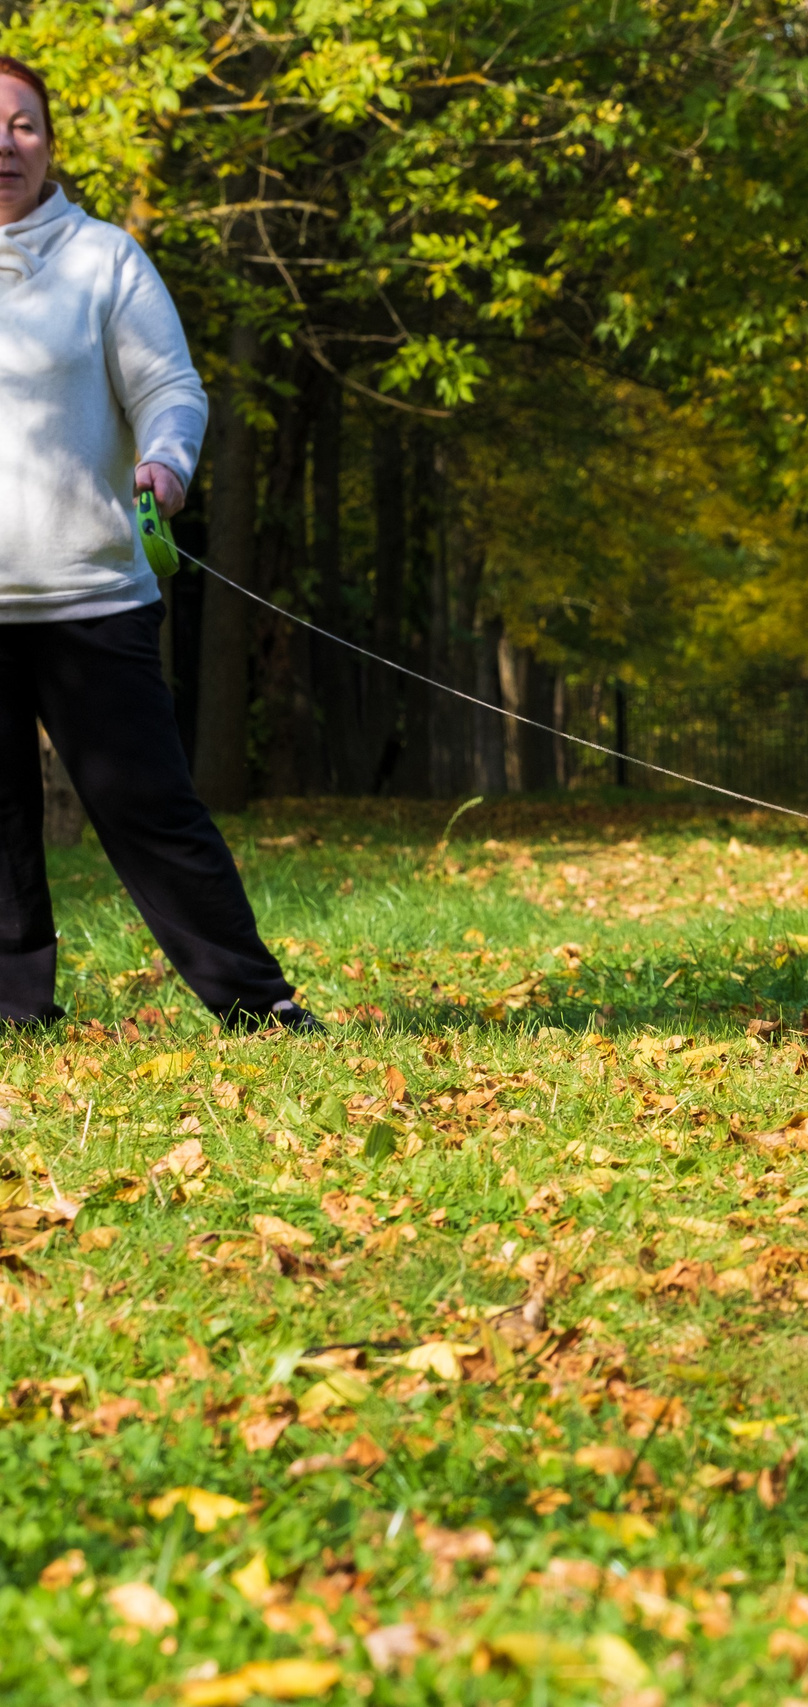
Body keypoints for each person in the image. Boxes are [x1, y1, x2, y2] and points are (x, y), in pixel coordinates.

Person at [0, 57, 318, 1032]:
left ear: (51, 144)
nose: (3, 144)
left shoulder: (104, 260)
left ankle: (255, 1002)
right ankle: (13, 1011)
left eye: (21, 124)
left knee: (151, 811)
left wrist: (168, 462)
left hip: (91, 596)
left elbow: (170, 388)